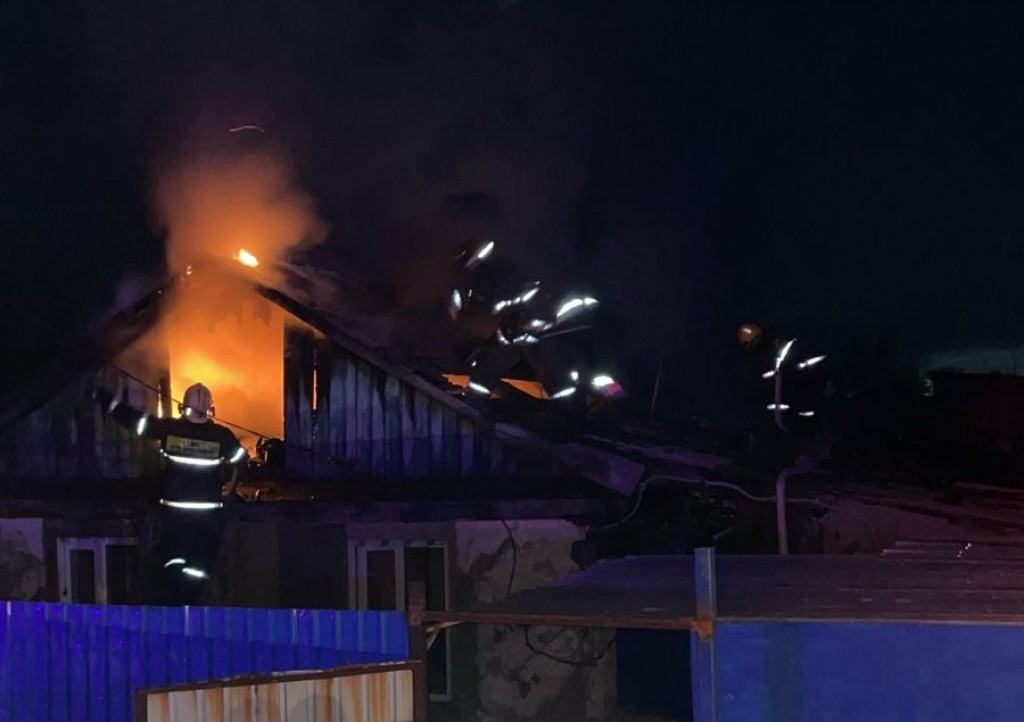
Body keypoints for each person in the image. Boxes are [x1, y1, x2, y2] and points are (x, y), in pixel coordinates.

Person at [94, 372, 248, 604]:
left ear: (183, 407)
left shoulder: (170, 430)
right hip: (207, 518)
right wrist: (227, 486)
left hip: (174, 516)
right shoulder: (222, 436)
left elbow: (137, 422)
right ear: (210, 409)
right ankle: (189, 602)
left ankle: (176, 600)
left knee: (172, 563)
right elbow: (241, 461)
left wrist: (108, 401)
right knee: (199, 568)